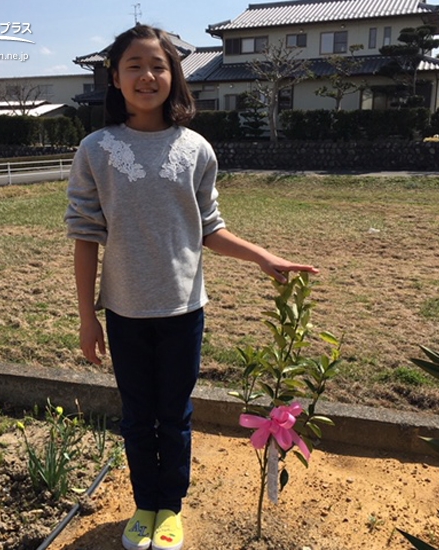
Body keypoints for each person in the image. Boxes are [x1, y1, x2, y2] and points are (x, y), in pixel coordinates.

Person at [65, 24, 319, 550]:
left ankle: (170, 510)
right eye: (133, 65)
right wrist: (88, 317)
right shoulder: (96, 149)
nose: (147, 75)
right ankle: (144, 505)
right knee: (136, 415)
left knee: (175, 416)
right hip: (125, 311)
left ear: (174, 76)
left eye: (158, 65)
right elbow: (86, 236)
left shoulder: (196, 148)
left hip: (184, 310)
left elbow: (210, 228)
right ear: (114, 78)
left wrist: (263, 257)